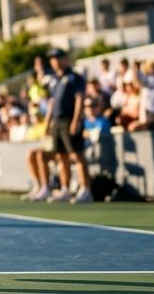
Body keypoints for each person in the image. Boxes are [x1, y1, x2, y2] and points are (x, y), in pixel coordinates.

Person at [44, 49, 91, 203]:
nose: (55, 61)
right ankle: (65, 189)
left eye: (58, 58)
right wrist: (48, 121)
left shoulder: (74, 77)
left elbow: (79, 99)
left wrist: (76, 120)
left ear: (65, 59)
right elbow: (51, 102)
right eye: (52, 59)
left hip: (69, 119)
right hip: (57, 121)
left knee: (77, 155)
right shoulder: (53, 79)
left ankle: (85, 189)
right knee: (60, 156)